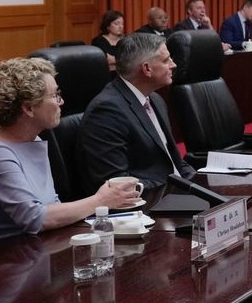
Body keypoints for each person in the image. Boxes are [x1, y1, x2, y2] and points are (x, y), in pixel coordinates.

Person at [0, 58, 139, 256]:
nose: (61, 102)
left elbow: (51, 205)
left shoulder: (32, 140)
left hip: (26, 251)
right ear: (28, 108)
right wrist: (100, 200)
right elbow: (36, 218)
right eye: (55, 95)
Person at [78, 33, 195, 188]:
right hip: (152, 198)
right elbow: (117, 182)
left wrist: (198, 183)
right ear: (146, 69)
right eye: (166, 60)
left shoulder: (156, 99)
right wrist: (175, 189)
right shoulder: (106, 111)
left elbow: (174, 160)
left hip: (175, 191)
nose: (173, 64)